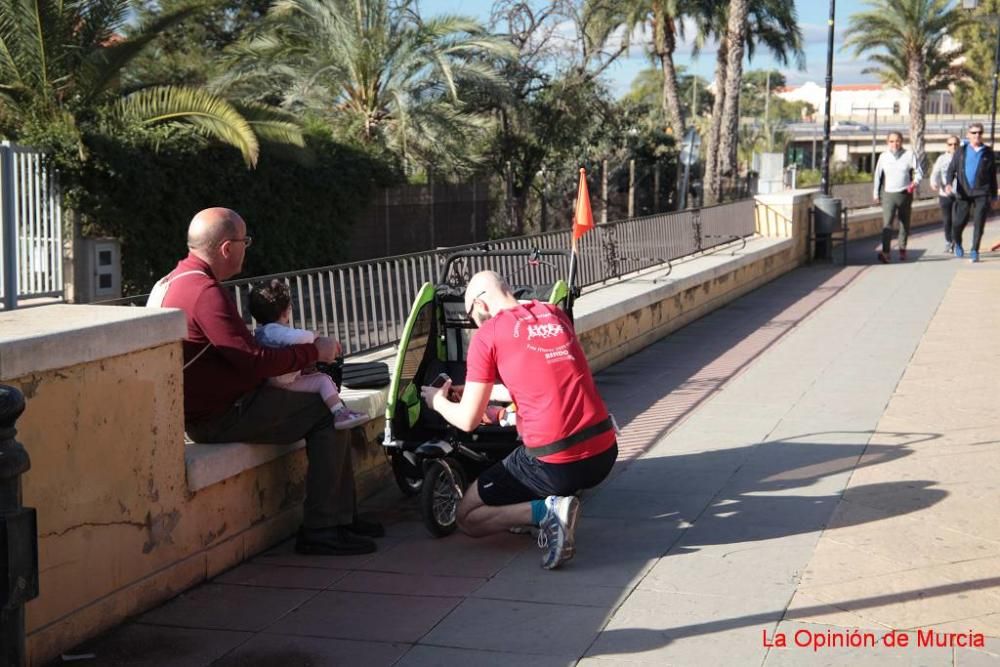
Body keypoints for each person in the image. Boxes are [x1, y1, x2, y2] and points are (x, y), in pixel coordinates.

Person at [156, 207, 383, 555]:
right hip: (222, 416)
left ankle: (342, 518)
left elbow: (238, 352)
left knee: (327, 407)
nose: (248, 247)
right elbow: (252, 362)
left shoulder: (173, 281)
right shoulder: (205, 293)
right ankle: (323, 528)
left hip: (212, 409)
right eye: (244, 240)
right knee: (327, 414)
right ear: (226, 248)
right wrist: (314, 353)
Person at [420, 271, 618, 570]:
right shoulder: (553, 314)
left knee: (468, 516)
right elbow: (541, 377)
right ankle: (542, 509)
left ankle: (546, 511)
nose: (474, 323)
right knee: (522, 475)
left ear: (480, 305)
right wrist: (479, 391)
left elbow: (468, 421)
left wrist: (437, 400)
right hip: (603, 454)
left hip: (555, 462)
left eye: (471, 315)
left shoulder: (488, 335)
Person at [248, 279, 369, 430]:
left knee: (318, 378)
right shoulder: (272, 330)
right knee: (323, 380)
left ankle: (340, 412)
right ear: (286, 311)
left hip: (278, 381)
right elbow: (300, 338)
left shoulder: (262, 332)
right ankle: (339, 412)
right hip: (283, 382)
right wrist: (315, 335)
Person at [946, 123, 998, 263]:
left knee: (979, 222)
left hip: (982, 193)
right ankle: (958, 242)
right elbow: (951, 170)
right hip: (963, 192)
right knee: (958, 223)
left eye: (980, 133)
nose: (977, 135)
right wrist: (949, 183)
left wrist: (994, 195)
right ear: (968, 135)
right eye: (974, 133)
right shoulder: (961, 152)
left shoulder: (988, 152)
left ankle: (975, 250)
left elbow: (992, 175)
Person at [873, 131, 923, 263]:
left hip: (905, 194)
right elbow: (877, 176)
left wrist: (914, 183)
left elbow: (919, 172)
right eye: (891, 141)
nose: (894, 144)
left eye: (897, 141)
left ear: (901, 142)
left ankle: (902, 249)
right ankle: (886, 253)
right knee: (887, 224)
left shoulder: (909, 155)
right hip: (888, 194)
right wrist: (875, 193)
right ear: (887, 142)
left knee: (904, 223)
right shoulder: (883, 157)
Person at [929, 135, 960, 253]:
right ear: (947, 146)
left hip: (959, 194)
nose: (953, 147)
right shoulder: (942, 159)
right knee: (947, 220)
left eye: (955, 144)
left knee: (957, 220)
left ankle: (956, 242)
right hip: (945, 194)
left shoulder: (963, 157)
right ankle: (948, 241)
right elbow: (935, 173)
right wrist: (933, 183)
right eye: (950, 144)